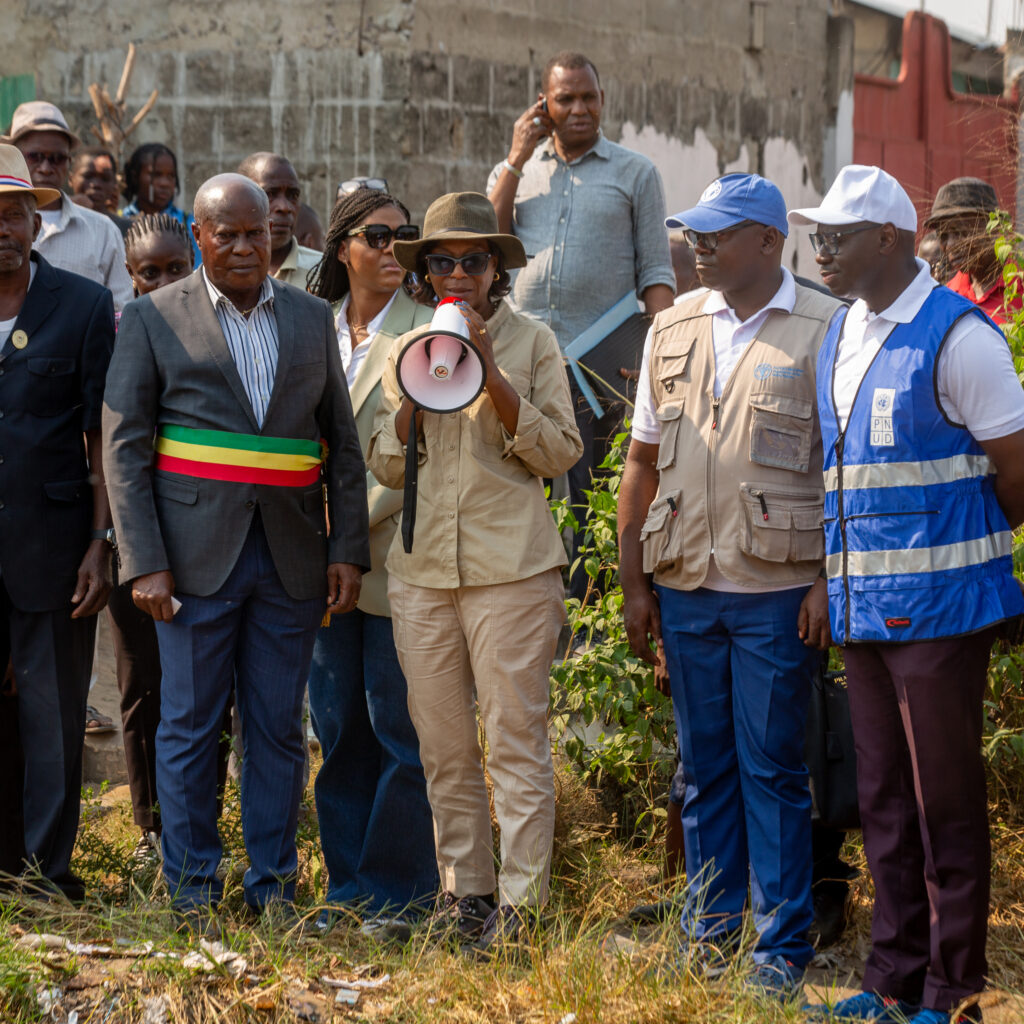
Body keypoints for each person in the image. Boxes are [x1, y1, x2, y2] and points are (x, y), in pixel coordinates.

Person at [102, 173, 369, 931]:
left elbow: (341, 451)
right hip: (189, 563)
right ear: (201, 238)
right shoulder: (153, 318)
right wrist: (143, 561)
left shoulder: (315, 320)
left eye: (258, 233)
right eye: (230, 235)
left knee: (279, 728)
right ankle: (191, 892)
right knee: (188, 727)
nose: (248, 246)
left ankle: (273, 886)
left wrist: (345, 550)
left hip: (291, 559)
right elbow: (123, 449)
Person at [792, 164, 1024, 1024]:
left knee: (945, 807)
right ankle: (892, 978)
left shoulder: (961, 337)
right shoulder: (843, 335)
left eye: (836, 237)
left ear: (886, 239)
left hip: (943, 617)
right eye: (816, 236)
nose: (820, 250)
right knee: (884, 803)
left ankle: (954, 988)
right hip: (865, 614)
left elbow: (1017, 472)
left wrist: (954, 554)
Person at [618, 174, 843, 999]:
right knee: (703, 767)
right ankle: (708, 932)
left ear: (768, 243)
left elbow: (848, 469)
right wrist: (634, 585)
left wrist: (828, 580)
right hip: (686, 585)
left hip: (779, 589)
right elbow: (641, 462)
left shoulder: (826, 327)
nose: (701, 246)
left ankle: (779, 947)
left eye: (719, 234)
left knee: (774, 766)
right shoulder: (672, 326)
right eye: (697, 233)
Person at [367, 191, 582, 954]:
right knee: (445, 747)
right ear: (424, 270)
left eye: (475, 260)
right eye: (443, 260)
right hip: (423, 574)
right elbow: (386, 465)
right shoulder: (406, 347)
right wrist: (419, 395)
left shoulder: (533, 341)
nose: (459, 272)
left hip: (512, 573)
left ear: (497, 269)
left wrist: (491, 373)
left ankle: (524, 904)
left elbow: (560, 453)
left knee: (516, 741)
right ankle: (468, 894)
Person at [487, 51, 675, 604]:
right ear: (543, 104)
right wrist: (517, 158)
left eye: (588, 97)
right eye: (565, 99)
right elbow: (492, 248)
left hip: (604, 368)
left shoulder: (635, 172)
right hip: (523, 361)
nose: (579, 109)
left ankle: (591, 619)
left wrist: (658, 361)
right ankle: (529, 606)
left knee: (596, 499)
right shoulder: (516, 173)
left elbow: (656, 276)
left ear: (602, 101)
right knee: (523, 489)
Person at [305, 187, 436, 934]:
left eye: (404, 237)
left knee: (400, 731)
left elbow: (406, 458)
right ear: (344, 249)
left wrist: (343, 539)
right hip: (322, 565)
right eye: (379, 237)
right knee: (339, 730)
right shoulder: (315, 328)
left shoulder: (426, 331)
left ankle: (399, 895)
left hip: (395, 560)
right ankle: (346, 884)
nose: (395, 251)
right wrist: (321, 544)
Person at [0, 144, 115, 899]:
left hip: (52, 549)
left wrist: (103, 544)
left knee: (52, 721)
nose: (2, 227)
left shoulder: (80, 304)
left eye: (13, 213)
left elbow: (103, 433)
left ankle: (45, 878)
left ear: (35, 224)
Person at [4, 101, 132, 310]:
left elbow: (121, 311)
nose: (46, 168)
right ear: (14, 156)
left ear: (69, 162)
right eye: (35, 157)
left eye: (57, 159)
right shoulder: (4, 228)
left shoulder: (102, 230)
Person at [924, 176, 1020, 326]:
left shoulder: (1018, 286)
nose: (950, 245)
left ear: (994, 228)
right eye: (943, 236)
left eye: (960, 232)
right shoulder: (946, 296)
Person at [238, 152, 321, 287]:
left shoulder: (324, 274)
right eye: (269, 194)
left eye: (293, 195)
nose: (284, 207)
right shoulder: (220, 275)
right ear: (240, 199)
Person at [121, 142, 201, 266]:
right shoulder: (120, 219)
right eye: (156, 175)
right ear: (135, 177)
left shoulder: (188, 224)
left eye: (171, 176)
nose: (165, 183)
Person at [69, 146, 131, 236]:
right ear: (71, 179)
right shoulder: (55, 223)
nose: (96, 184)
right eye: (88, 176)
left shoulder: (126, 230)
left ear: (114, 183)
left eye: (105, 178)